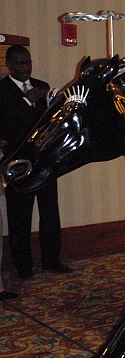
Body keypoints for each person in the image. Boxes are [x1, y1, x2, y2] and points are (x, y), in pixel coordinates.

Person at [0, 45, 71, 279]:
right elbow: (6, 127)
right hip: (18, 163)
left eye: (27, 62)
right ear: (8, 65)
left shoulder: (41, 85)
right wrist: (27, 102)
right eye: (19, 63)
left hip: (45, 161)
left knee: (50, 212)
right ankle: (23, 266)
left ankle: (52, 259)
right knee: (20, 215)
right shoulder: (2, 90)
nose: (24, 67)